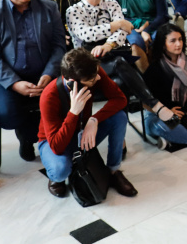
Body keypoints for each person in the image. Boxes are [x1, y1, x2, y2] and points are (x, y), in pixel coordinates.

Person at [0, 0, 66, 161]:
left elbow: (59, 46)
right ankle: (27, 136)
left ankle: (46, 138)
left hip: (44, 73)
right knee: (6, 114)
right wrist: (14, 83)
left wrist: (48, 74)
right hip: (7, 78)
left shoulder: (49, 7)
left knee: (66, 101)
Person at [37, 48, 137, 199]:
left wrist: (94, 119)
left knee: (119, 117)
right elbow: (57, 146)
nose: (97, 79)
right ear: (72, 83)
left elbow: (120, 99)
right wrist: (73, 113)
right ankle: (56, 178)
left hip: (82, 131)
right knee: (60, 170)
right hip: (53, 141)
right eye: (91, 80)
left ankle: (113, 171)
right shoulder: (49, 96)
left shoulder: (93, 72)